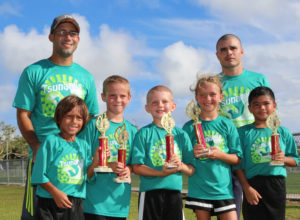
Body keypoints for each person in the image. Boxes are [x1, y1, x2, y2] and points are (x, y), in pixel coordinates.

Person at [13, 14, 99, 219]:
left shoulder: (86, 77)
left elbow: (91, 118)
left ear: (78, 39)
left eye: (73, 33)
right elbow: (23, 113)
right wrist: (36, 146)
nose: (68, 37)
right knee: (37, 214)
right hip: (44, 155)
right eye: (62, 32)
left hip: (73, 159)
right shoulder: (34, 71)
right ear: (51, 37)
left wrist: (89, 154)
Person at [216, 34, 270, 219]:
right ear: (217, 55)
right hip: (227, 157)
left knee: (260, 211)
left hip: (255, 155)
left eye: (232, 48)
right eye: (223, 49)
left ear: (241, 51)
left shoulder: (259, 79)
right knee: (231, 213)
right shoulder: (213, 85)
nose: (228, 52)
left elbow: (270, 117)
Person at [235, 86, 299, 220]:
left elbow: (295, 160)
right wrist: (247, 188)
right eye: (256, 104)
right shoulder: (243, 133)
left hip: (276, 185)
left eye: (266, 103)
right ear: (250, 108)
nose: (262, 108)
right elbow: (238, 165)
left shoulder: (283, 132)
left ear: (274, 106)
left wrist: (284, 159)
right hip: (252, 185)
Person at [131, 85, 195, 220]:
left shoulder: (181, 135)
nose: (160, 105)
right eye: (155, 102)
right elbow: (137, 167)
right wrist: (160, 173)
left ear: (173, 106)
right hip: (149, 193)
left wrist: (180, 165)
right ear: (147, 108)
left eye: (165, 102)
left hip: (174, 194)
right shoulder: (143, 133)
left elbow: (191, 170)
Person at [183, 76, 242, 220]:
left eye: (212, 94)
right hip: (199, 190)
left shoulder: (227, 125)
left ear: (221, 97)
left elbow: (237, 159)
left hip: (223, 191)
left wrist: (220, 154)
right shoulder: (188, 127)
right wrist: (193, 153)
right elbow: (183, 160)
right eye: (202, 95)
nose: (207, 98)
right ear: (196, 97)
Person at [79, 75, 137, 220]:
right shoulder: (92, 126)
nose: (118, 100)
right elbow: (79, 165)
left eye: (122, 96)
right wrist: (99, 163)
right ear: (103, 97)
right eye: (112, 96)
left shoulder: (132, 131)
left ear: (129, 98)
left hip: (119, 205)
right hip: (92, 204)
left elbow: (135, 165)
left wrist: (127, 170)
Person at [31, 95, 93, 220]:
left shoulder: (84, 146)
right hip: (49, 201)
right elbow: (38, 175)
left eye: (79, 118)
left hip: (75, 203)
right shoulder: (51, 142)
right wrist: (55, 192)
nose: (74, 121)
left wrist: (97, 160)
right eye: (69, 116)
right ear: (59, 118)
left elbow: (88, 175)